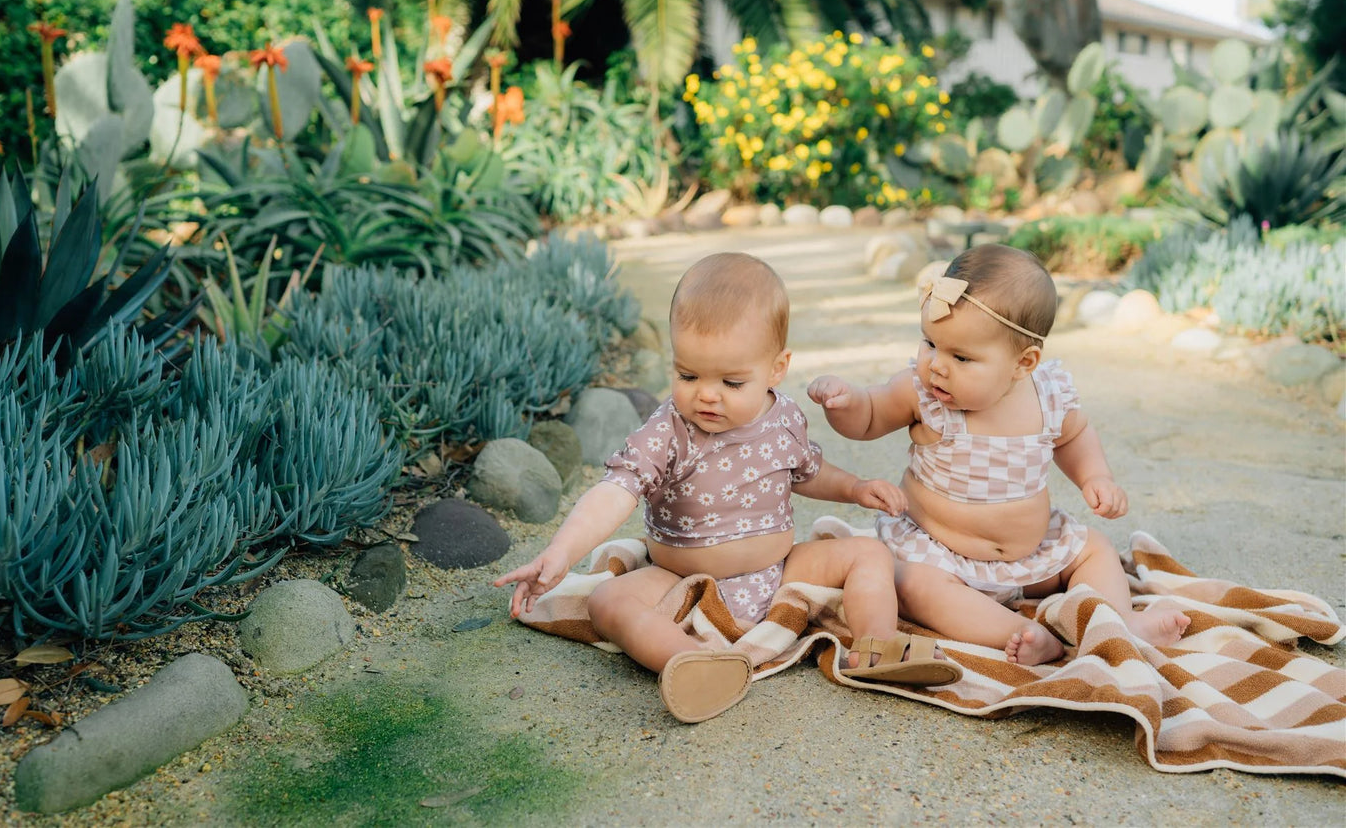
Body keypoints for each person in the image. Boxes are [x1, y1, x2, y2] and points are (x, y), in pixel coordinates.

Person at [495, 252, 961, 723]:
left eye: (732, 381)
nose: (707, 394)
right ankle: (691, 663)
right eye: (687, 375)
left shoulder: (784, 419)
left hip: (778, 569)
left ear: (777, 368)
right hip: (680, 576)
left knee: (868, 553)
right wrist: (560, 551)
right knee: (607, 601)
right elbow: (617, 490)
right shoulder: (669, 429)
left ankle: (875, 648)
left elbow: (807, 471)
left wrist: (855, 487)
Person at [807, 244, 1190, 666]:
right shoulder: (922, 394)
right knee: (912, 585)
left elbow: (1075, 435)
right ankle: (1021, 634)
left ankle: (1117, 624)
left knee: (1093, 549)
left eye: (961, 356)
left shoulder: (1047, 394)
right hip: (939, 553)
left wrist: (1095, 477)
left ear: (1023, 363)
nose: (936, 365)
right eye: (930, 343)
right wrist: (845, 404)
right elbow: (870, 417)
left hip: (1034, 556)